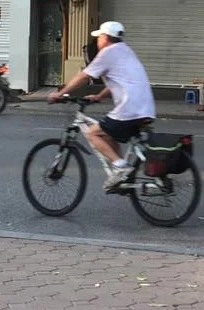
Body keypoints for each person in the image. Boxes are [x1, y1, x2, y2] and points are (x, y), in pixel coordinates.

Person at [49, 19, 156, 193]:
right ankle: (123, 176)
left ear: (105, 37)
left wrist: (60, 94)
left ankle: (121, 168)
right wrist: (99, 96)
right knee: (108, 135)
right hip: (146, 109)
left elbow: (84, 76)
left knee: (93, 133)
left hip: (129, 108)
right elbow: (121, 79)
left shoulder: (107, 53)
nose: (97, 41)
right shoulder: (126, 51)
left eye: (99, 37)